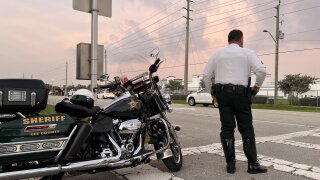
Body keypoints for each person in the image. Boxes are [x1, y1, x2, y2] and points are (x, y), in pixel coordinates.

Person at [203, 29, 267, 174]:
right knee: (246, 128)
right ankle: (252, 165)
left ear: (229, 40)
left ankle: (230, 164)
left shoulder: (217, 54)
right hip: (241, 95)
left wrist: (212, 93)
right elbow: (261, 71)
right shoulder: (247, 53)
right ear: (241, 39)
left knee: (227, 128)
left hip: (222, 95)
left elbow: (206, 75)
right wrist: (256, 87)